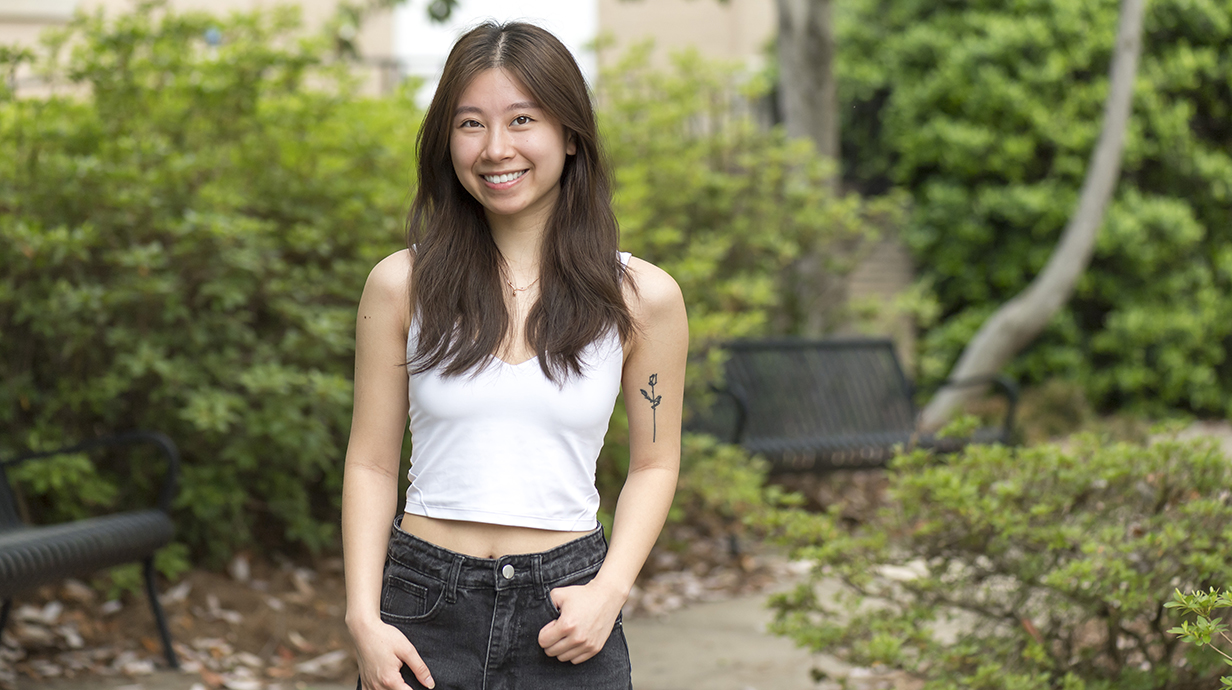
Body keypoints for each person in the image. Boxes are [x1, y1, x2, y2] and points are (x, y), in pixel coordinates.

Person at [341, 20, 688, 690]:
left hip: (567, 610)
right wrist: (363, 616)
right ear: (447, 141)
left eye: (521, 119)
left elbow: (655, 462)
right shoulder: (400, 285)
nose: (496, 148)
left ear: (569, 133)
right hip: (420, 608)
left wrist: (610, 590)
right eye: (471, 124)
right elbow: (372, 461)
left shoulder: (644, 297)